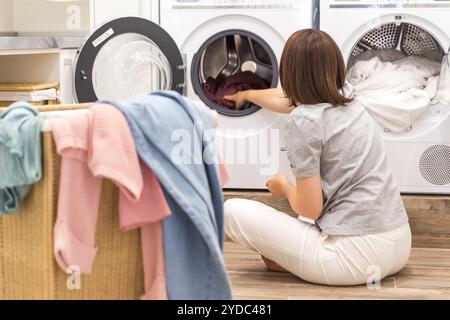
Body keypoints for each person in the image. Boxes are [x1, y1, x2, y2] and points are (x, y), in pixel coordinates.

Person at [223, 29, 411, 286]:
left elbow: (310, 208)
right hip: (399, 244)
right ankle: (296, 258)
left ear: (289, 73)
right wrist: (247, 95)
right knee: (311, 208)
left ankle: (298, 261)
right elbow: (289, 100)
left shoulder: (302, 122)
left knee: (231, 210)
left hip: (353, 259)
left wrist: (285, 187)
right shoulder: (348, 96)